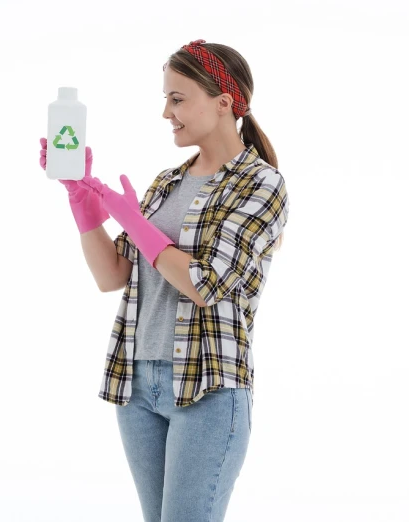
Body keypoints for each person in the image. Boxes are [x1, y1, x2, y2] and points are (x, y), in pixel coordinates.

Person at [39, 39, 289, 522]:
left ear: (224, 102)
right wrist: (83, 202)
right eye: (165, 99)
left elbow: (205, 283)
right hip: (137, 384)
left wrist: (136, 224)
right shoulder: (167, 183)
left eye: (177, 98)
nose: (165, 112)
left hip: (209, 390)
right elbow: (112, 276)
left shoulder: (261, 184)